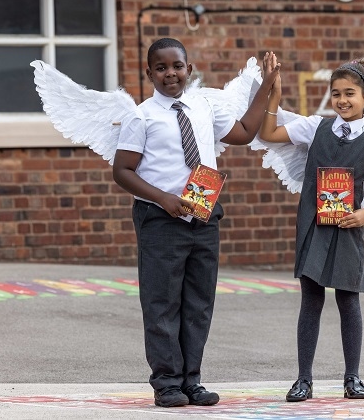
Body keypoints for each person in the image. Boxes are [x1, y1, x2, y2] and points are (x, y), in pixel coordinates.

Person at [112, 38, 280, 408]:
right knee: (162, 302)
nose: (170, 73)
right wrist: (162, 198)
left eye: (177, 66)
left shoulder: (202, 105)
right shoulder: (142, 116)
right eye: (161, 68)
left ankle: (192, 381)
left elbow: (243, 134)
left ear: (189, 69)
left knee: (198, 303)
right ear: (149, 73)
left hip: (203, 215)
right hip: (161, 218)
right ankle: (167, 383)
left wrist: (266, 86)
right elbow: (122, 171)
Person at [258, 58, 364, 401]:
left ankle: (353, 377)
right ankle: (304, 379)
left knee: (349, 301)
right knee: (311, 300)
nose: (342, 100)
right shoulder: (314, 128)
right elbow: (269, 133)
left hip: (348, 228)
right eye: (336, 93)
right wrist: (274, 93)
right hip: (313, 225)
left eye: (350, 93)